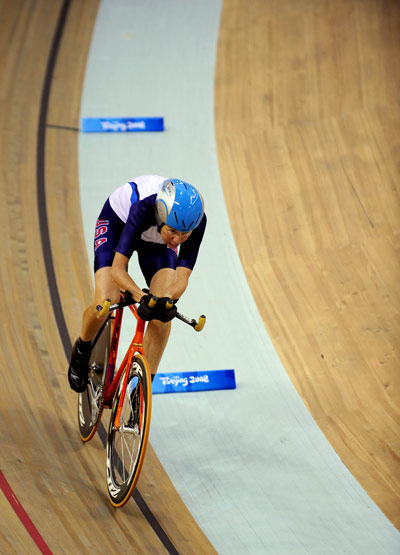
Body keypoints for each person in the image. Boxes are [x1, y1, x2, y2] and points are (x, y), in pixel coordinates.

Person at [68, 175, 206, 392]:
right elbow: (117, 270)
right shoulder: (143, 208)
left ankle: (142, 390)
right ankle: (82, 348)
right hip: (118, 224)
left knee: (162, 315)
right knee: (107, 299)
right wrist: (141, 297)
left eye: (184, 234)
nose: (178, 240)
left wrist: (165, 299)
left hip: (156, 243)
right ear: (161, 216)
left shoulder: (196, 222)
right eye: (173, 231)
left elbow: (182, 278)